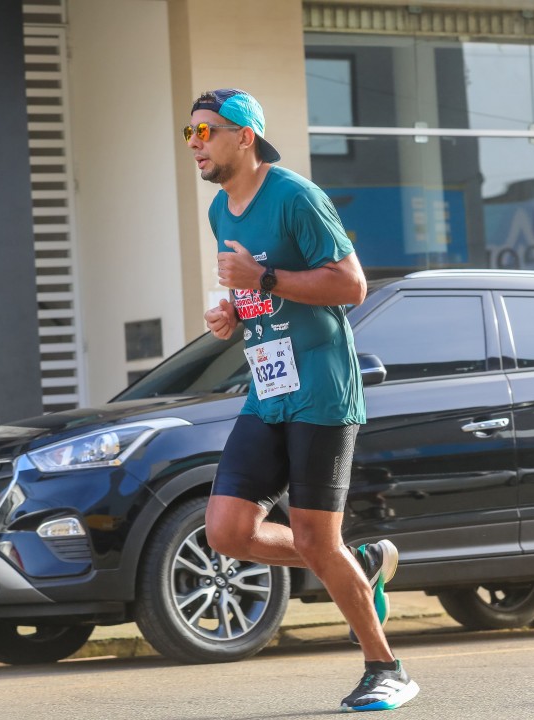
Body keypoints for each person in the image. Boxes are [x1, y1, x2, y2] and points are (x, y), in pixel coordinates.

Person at [184, 88, 420, 712]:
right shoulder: (221, 211)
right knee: (226, 531)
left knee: (317, 539)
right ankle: (357, 564)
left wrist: (262, 278)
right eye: (189, 134)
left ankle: (386, 667)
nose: (194, 145)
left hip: (320, 388)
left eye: (205, 132)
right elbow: (257, 291)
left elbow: (351, 285)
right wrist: (235, 312)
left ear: (245, 136)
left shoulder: (296, 197)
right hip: (267, 389)